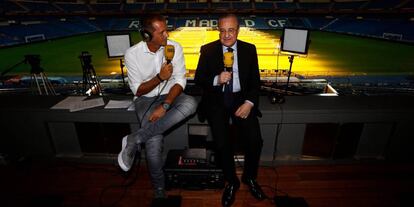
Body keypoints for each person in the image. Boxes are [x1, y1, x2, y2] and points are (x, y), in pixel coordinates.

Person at [118, 14, 197, 201]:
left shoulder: (174, 47)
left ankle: (135, 139)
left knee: (191, 103)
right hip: (145, 99)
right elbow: (137, 90)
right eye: (162, 32)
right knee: (153, 145)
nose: (167, 35)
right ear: (147, 35)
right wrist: (160, 77)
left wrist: (166, 105)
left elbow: (179, 81)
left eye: (166, 30)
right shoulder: (132, 54)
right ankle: (159, 188)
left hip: (171, 96)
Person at [194, 14, 266, 207]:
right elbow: (199, 79)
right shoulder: (208, 50)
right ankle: (231, 181)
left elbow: (255, 82)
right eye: (222, 30)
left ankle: (249, 177)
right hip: (217, 101)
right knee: (222, 144)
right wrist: (217, 79)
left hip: (241, 100)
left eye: (231, 30)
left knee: (255, 140)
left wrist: (250, 103)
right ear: (219, 30)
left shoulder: (249, 50)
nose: (226, 35)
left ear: (238, 30)